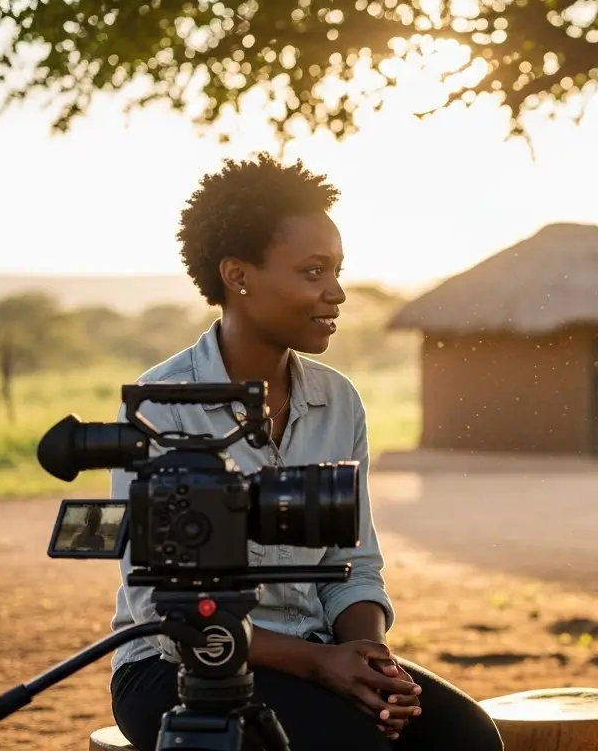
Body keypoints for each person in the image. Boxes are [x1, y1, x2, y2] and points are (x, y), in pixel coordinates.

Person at [106, 153, 504, 751]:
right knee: (355, 745)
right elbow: (168, 612)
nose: (337, 293)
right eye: (314, 271)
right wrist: (323, 667)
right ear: (238, 275)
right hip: (180, 668)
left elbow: (353, 563)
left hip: (317, 652)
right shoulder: (162, 407)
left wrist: (367, 657)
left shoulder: (338, 401)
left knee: (466, 737)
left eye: (337, 270)